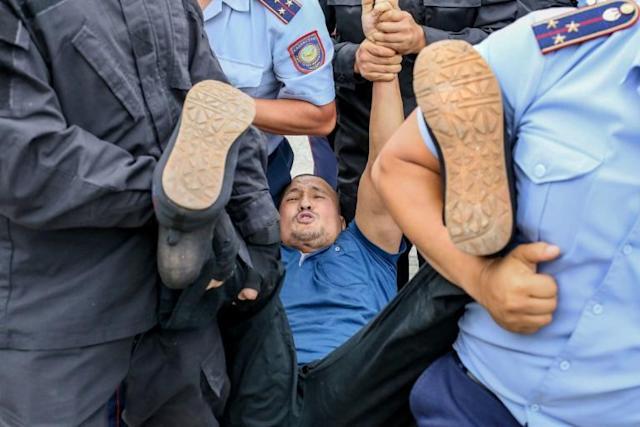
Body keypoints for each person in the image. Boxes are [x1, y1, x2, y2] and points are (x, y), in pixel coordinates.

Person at [0, 0, 278, 425]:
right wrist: (166, 195)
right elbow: (24, 158)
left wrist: (260, 238)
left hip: (184, 316)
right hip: (62, 329)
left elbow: (219, 111)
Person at [373, 0, 640, 423]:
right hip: (476, 396)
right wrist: (480, 279)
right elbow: (399, 165)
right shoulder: (559, 47)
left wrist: (420, 40)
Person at [322, 0, 572, 285]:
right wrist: (353, 59)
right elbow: (301, 48)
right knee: (366, 280)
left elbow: (515, 41)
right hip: (363, 151)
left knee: (453, 284)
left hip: (458, 153)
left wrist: (425, 40)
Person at [199, 0, 337, 202]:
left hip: (245, 180)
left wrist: (225, 105)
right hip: (145, 166)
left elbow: (319, 115)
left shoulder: (289, 9)